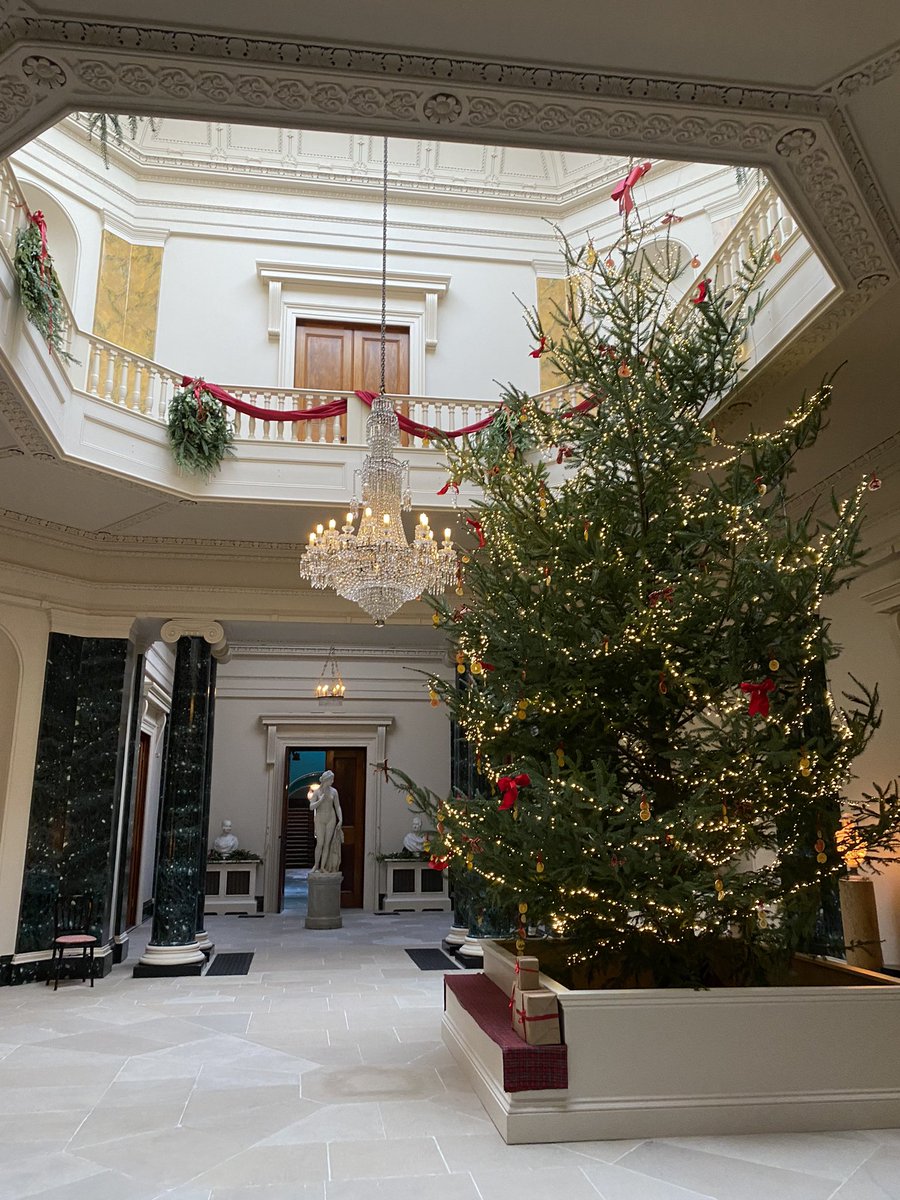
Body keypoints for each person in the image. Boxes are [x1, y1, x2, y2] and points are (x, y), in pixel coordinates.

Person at [310, 770, 343, 873]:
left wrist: (340, 819)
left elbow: (337, 806)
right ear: (325, 780)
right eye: (331, 779)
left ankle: (323, 866)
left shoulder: (334, 791)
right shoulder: (317, 792)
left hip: (331, 818)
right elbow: (311, 807)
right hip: (320, 818)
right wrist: (320, 800)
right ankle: (316, 865)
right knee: (320, 843)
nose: (332, 781)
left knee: (327, 844)